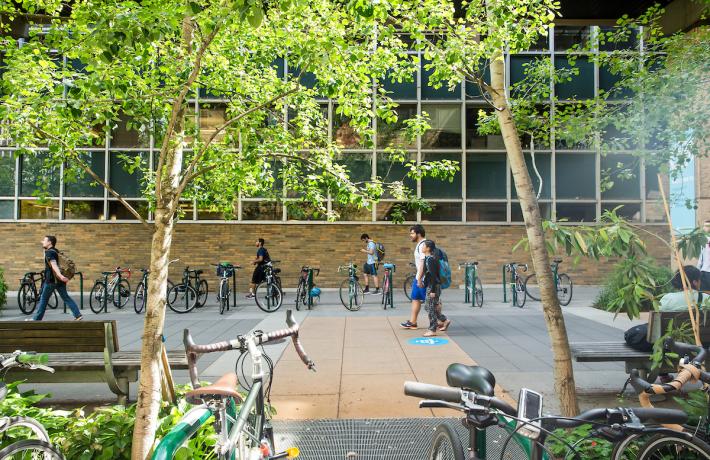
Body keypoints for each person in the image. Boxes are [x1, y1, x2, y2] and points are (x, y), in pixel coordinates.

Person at [624, 265, 707, 352]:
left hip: (669, 345)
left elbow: (656, 320)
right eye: (699, 280)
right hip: (701, 343)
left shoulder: (668, 298)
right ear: (695, 282)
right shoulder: (706, 298)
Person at [29, 235, 83, 321]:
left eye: (44, 240)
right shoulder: (55, 251)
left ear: (50, 242)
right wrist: (61, 278)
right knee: (66, 297)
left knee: (44, 299)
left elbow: (54, 265)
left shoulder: (49, 253)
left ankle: (36, 319)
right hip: (59, 281)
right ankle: (78, 315)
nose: (43, 241)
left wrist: (61, 276)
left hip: (51, 280)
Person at [400, 225, 428, 330]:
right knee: (415, 298)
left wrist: (420, 278)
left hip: (423, 278)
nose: (410, 236)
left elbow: (423, 263)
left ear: (418, 234)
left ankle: (442, 320)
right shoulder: (419, 244)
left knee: (432, 301)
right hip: (419, 276)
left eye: (412, 233)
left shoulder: (423, 245)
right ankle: (413, 322)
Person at [421, 240, 450, 337]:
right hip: (431, 285)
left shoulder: (430, 260)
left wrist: (432, 290)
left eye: (423, 246)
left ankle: (432, 329)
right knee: (428, 307)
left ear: (428, 248)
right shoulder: (427, 258)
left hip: (434, 286)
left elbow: (434, 276)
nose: (421, 247)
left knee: (430, 307)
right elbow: (428, 274)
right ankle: (444, 320)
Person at [697, 220, 710, 293]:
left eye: (707, 226)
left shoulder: (705, 239)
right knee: (704, 295)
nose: (705, 228)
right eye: (704, 226)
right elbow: (701, 259)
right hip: (703, 272)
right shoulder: (703, 243)